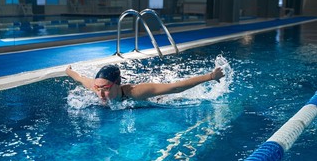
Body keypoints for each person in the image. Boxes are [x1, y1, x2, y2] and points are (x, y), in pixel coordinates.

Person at [65, 64, 224, 103]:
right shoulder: (96, 88)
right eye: (97, 88)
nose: (100, 93)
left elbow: (175, 87)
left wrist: (210, 76)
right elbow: (79, 78)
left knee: (167, 98)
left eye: (105, 89)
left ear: (116, 84)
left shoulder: (135, 92)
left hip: (156, 99)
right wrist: (69, 71)